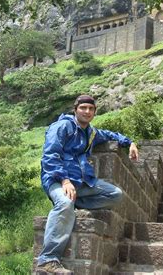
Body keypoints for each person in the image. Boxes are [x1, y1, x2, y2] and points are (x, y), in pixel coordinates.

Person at [36, 95, 139, 274]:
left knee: (115, 195)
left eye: (91, 109)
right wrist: (64, 180)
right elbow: (50, 156)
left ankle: (74, 204)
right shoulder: (63, 126)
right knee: (64, 203)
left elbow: (110, 135)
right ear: (75, 109)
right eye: (83, 108)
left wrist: (130, 142)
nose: (87, 112)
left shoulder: (91, 133)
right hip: (57, 180)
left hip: (82, 183)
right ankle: (48, 259)